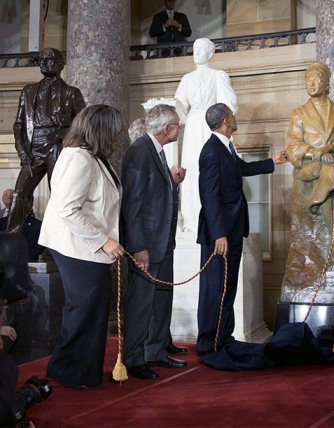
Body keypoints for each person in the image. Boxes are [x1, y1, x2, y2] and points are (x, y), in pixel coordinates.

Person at [38, 104, 126, 390]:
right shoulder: (79, 158)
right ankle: (70, 371)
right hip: (76, 246)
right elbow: (67, 209)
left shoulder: (93, 157)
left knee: (91, 308)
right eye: (113, 131)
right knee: (84, 308)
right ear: (100, 130)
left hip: (86, 246)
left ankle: (82, 370)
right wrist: (104, 240)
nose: (116, 137)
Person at [196, 103, 287, 355]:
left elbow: (242, 169)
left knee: (228, 288)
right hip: (221, 234)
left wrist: (273, 161)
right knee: (216, 289)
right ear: (226, 120)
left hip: (233, 230)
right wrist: (218, 234)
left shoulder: (225, 147)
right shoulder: (211, 151)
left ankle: (224, 338)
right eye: (232, 115)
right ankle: (209, 343)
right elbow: (209, 195)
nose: (235, 118)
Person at [121, 104, 187, 380]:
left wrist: (172, 183)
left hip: (163, 242)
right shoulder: (139, 151)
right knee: (141, 304)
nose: (180, 128)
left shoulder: (157, 151)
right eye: (177, 124)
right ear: (166, 128)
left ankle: (156, 351)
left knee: (160, 301)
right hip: (146, 246)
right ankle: (134, 359)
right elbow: (132, 204)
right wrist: (138, 247)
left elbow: (154, 194)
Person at [282, 62, 334, 296]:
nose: (312, 84)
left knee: (333, 174)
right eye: (308, 81)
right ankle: (331, 241)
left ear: (326, 84)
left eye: (316, 80)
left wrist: (332, 148)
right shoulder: (299, 113)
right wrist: (314, 152)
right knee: (327, 174)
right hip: (310, 167)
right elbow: (291, 145)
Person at [7, 48, 86, 235]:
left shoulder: (71, 93)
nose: (44, 62)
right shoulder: (28, 91)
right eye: (41, 59)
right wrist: (21, 148)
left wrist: (61, 134)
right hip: (33, 147)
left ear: (60, 64)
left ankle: (56, 246)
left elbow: (84, 124)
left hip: (58, 147)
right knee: (19, 193)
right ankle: (10, 244)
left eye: (49, 59)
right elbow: (18, 124)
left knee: (59, 196)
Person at [174, 37, 238, 231]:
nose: (197, 53)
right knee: (191, 168)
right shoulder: (186, 78)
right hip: (193, 124)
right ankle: (192, 219)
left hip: (211, 124)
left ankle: (211, 217)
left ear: (211, 53)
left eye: (201, 49)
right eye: (194, 49)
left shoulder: (218, 75)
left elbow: (229, 104)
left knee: (211, 170)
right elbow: (179, 106)